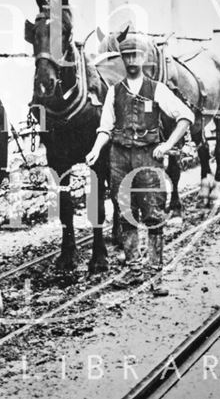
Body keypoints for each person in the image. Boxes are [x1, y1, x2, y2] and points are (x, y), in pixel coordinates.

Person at [85, 30, 194, 296]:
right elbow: (105, 127)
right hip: (119, 158)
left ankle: (155, 277)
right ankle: (134, 271)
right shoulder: (113, 92)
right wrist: (96, 149)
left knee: (154, 216)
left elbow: (186, 116)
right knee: (125, 215)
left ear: (144, 57)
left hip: (148, 158)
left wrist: (167, 145)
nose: (132, 60)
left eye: (136, 55)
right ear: (121, 58)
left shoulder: (157, 89)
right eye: (127, 55)